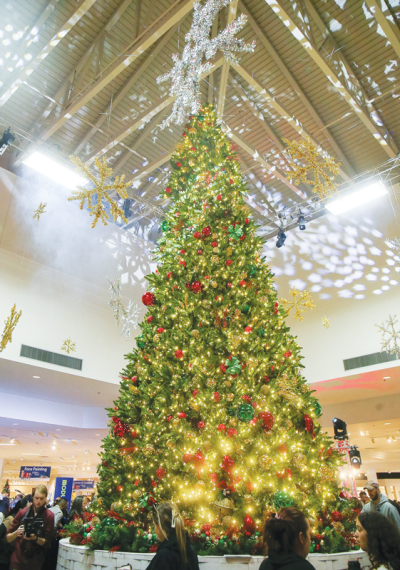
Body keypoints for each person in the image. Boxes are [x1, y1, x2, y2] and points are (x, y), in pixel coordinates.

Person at [6, 484, 54, 570]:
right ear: (32, 497)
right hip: (18, 560)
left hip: (35, 562)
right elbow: (7, 538)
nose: (38, 501)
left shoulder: (49, 516)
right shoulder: (22, 513)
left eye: (41, 498)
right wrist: (16, 533)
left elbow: (47, 543)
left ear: (46, 498)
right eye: (36, 498)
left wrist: (35, 538)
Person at [147, 502, 199, 570]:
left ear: (160, 526)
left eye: (154, 525)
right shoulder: (191, 552)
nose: (155, 531)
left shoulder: (164, 557)